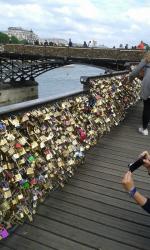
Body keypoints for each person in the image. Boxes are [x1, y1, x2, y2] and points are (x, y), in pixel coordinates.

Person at [128, 51, 150, 135]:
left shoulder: (146, 59)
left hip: (148, 84)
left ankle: (144, 129)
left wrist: (130, 79)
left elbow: (135, 72)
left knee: (147, 106)